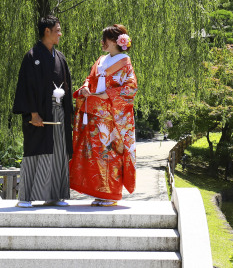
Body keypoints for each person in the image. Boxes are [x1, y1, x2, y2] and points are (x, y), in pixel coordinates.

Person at [69, 24, 138, 206]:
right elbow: (90, 79)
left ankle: (112, 193)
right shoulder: (101, 60)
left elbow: (131, 88)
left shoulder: (125, 63)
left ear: (117, 42)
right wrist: (85, 88)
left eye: (105, 40)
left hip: (112, 117)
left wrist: (110, 94)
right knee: (97, 154)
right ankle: (100, 192)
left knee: (111, 153)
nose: (102, 43)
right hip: (94, 114)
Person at [12, 15, 74, 208]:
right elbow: (26, 86)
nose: (60, 34)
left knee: (58, 152)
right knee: (35, 151)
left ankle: (55, 195)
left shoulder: (60, 57)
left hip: (59, 113)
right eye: (58, 30)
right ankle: (26, 196)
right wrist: (33, 113)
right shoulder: (32, 56)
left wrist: (69, 113)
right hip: (39, 114)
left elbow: (68, 87)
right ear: (47, 31)